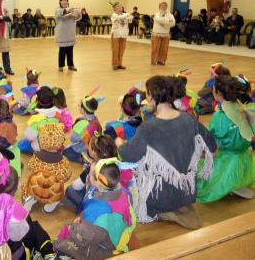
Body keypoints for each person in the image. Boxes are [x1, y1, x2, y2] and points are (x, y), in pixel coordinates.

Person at [119, 76, 217, 229]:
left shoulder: (148, 128)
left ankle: (166, 210)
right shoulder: (189, 119)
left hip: (160, 197)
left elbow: (127, 156)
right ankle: (179, 208)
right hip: (188, 192)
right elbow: (212, 148)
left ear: (151, 97)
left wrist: (119, 143)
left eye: (148, 94)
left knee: (125, 172)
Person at [196, 76, 255, 202]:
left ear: (217, 94)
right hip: (244, 155)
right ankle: (238, 182)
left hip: (224, 159)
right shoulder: (244, 108)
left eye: (213, 90)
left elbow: (211, 137)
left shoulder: (220, 116)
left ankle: (228, 182)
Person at [26, 123, 72, 213]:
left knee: (29, 184)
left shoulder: (35, 157)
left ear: (41, 140)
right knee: (61, 191)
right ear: (60, 140)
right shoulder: (64, 161)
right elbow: (67, 176)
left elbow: (30, 167)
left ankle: (29, 201)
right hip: (52, 193)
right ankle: (49, 207)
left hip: (37, 189)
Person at [63, 90, 102, 163]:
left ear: (83, 110)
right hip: (92, 147)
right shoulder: (95, 119)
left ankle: (83, 159)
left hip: (81, 148)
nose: (78, 107)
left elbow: (74, 138)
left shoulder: (82, 123)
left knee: (65, 153)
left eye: (79, 106)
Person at [0, 98, 21, 176]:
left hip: (5, 147)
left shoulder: (4, 126)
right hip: (8, 141)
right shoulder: (7, 118)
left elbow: (1, 144)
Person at [55, 0, 81, 72]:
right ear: (60, 2)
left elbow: (78, 17)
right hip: (62, 33)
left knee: (70, 50)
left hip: (70, 32)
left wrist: (73, 14)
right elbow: (61, 14)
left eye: (66, 1)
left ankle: (71, 65)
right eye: (63, 1)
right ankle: (60, 66)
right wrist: (70, 12)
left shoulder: (72, 10)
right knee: (62, 50)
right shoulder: (58, 9)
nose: (64, 2)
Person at [151, 1, 175, 66]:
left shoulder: (170, 14)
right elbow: (158, 20)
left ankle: (161, 60)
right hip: (156, 33)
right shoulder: (156, 14)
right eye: (163, 5)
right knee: (155, 48)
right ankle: (154, 61)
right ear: (159, 6)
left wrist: (165, 21)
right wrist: (167, 21)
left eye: (165, 5)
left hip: (166, 34)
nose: (164, 6)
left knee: (164, 49)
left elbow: (173, 23)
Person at [110, 2, 133, 70]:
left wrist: (128, 16)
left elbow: (131, 19)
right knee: (115, 50)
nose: (120, 8)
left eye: (121, 7)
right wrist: (127, 16)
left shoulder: (124, 14)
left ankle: (120, 64)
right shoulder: (114, 15)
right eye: (118, 7)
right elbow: (119, 18)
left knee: (121, 50)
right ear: (115, 9)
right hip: (116, 34)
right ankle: (115, 64)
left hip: (123, 34)